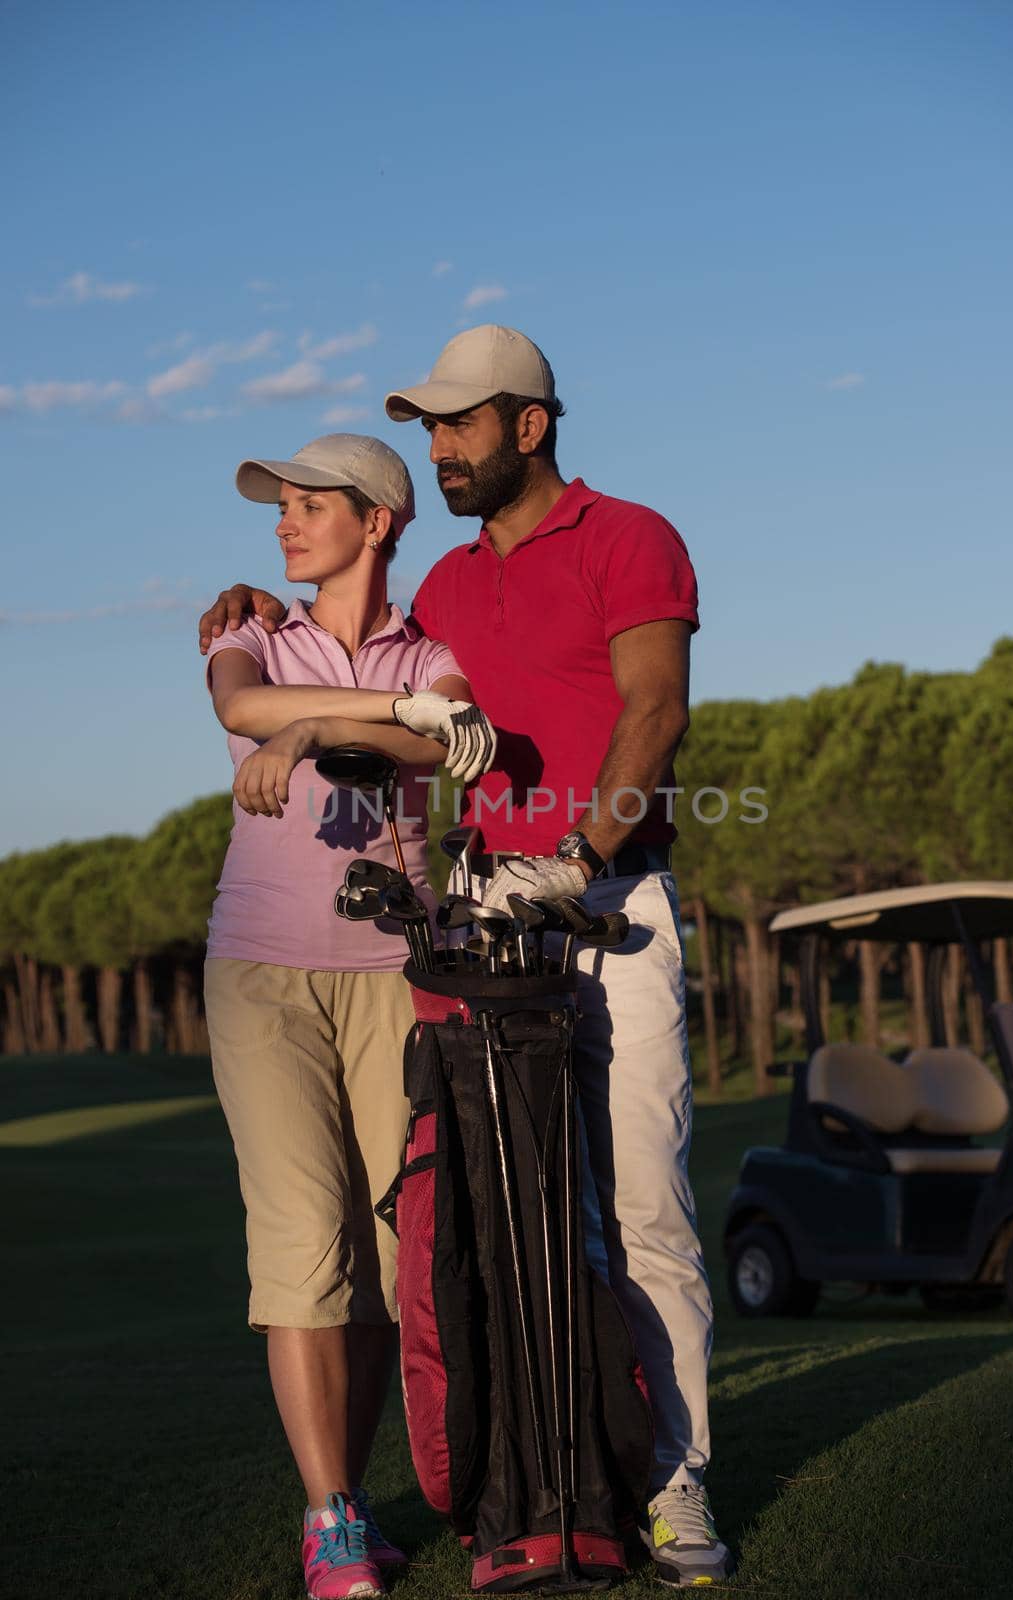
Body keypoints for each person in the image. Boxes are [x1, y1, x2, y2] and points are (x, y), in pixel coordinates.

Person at [198, 331, 734, 1589]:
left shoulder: (629, 536)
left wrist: (586, 849)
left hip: (609, 905)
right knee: (496, 1215)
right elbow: (373, 660)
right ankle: (531, 1477)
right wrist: (264, 606)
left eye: (459, 427)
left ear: (529, 427)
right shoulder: (439, 582)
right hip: (480, 917)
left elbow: (654, 705)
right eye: (427, 432)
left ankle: (670, 1480)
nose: (440, 448)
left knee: (642, 1202)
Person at [201, 432, 495, 1600]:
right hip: (262, 975)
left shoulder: (441, 649)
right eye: (281, 507)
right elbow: (243, 702)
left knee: (387, 1255)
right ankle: (328, 1517)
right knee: (303, 1245)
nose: (284, 522)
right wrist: (357, 712)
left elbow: (449, 738)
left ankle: (352, 1495)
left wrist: (319, 727)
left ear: (378, 520)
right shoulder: (249, 626)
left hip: (399, 972)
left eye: (310, 503)